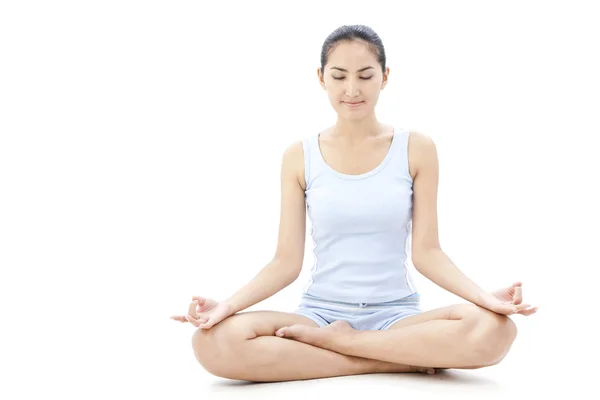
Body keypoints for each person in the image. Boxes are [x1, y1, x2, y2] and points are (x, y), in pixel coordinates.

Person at [170, 24, 538, 382]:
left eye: (365, 75)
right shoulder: (299, 156)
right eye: (339, 76)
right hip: (319, 316)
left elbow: (428, 252)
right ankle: (391, 362)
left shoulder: (417, 148)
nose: (352, 90)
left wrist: (484, 298)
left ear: (385, 76)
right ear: (321, 78)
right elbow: (285, 262)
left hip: (396, 318)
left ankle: (350, 346)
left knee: (495, 331)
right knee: (213, 344)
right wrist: (227, 306)